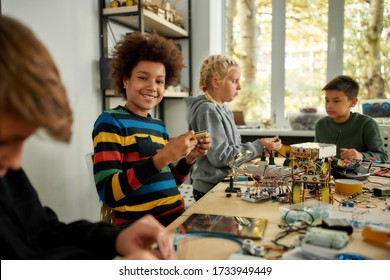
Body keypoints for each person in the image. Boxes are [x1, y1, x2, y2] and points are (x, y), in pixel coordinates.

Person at [0, 15, 174, 260]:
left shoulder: (10, 175)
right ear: (125, 80)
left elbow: (45, 231)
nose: (17, 162)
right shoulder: (111, 122)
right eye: (4, 142)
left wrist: (115, 239)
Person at [92, 32, 210, 227]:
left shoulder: (158, 125)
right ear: (125, 80)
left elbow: (171, 181)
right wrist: (163, 157)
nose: (152, 87)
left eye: (159, 81)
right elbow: (108, 193)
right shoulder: (110, 122)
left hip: (175, 218)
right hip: (141, 229)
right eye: (143, 77)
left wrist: (189, 158)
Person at [185, 54, 282, 201]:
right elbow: (221, 157)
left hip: (221, 184)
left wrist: (260, 148)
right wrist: (257, 147)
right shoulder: (208, 110)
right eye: (234, 81)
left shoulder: (223, 109)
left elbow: (232, 148)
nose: (239, 86)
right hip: (210, 190)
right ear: (216, 82)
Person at [314, 75, 387, 163]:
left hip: (356, 175)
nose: (329, 106)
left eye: (336, 101)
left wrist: (360, 155)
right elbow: (316, 156)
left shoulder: (366, 124)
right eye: (327, 100)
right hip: (327, 175)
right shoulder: (321, 125)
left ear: (353, 102)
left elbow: (382, 157)